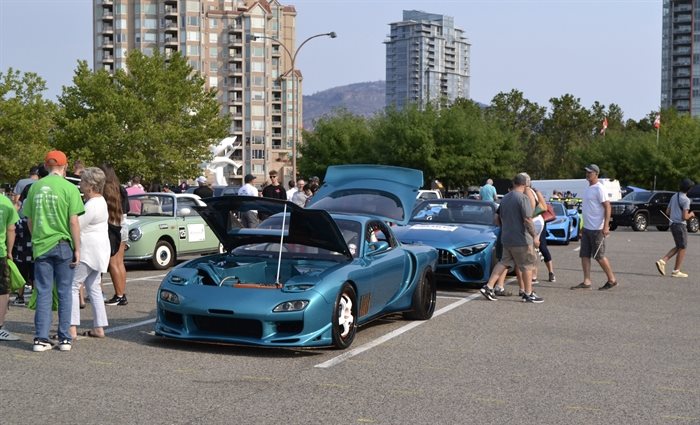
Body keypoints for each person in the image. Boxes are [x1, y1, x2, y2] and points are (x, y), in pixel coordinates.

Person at [23, 150, 85, 352]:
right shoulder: (69, 188)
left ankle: (40, 338)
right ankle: (65, 338)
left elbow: (29, 220)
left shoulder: (35, 188)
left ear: (46, 166)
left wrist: (37, 238)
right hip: (64, 243)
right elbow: (74, 221)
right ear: (65, 166)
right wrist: (78, 248)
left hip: (42, 244)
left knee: (43, 291)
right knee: (65, 292)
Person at [479, 173, 543, 303]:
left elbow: (497, 219)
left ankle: (489, 286)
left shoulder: (505, 198)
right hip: (521, 239)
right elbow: (527, 219)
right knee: (527, 265)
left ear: (514, 183)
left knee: (503, 262)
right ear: (525, 184)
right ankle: (528, 293)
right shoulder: (523, 198)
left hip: (506, 237)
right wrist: (535, 236)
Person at [70, 167, 110, 339]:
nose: (81, 184)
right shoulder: (100, 201)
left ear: (90, 185)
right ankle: (99, 326)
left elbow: (77, 225)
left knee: (73, 285)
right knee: (93, 287)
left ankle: (71, 327)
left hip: (88, 250)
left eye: (83, 181)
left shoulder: (92, 204)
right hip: (100, 249)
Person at [571, 164, 617, 290]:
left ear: (596, 174)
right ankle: (586, 281)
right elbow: (587, 209)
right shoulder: (588, 188)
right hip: (587, 228)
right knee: (584, 255)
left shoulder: (599, 188)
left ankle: (612, 279)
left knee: (599, 256)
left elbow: (607, 206)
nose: (587, 174)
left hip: (597, 228)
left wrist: (606, 226)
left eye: (590, 172)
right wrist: (582, 227)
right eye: (586, 172)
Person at [101, 164, 129, 306]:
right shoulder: (121, 189)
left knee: (113, 263)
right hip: (123, 224)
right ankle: (121, 293)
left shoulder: (104, 191)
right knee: (119, 263)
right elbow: (127, 209)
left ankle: (119, 295)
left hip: (111, 227)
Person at [656, 178, 695, 278]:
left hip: (672, 224)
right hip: (680, 225)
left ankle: (663, 261)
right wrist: (691, 214)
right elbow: (684, 217)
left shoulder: (675, 196)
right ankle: (676, 270)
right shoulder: (686, 200)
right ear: (689, 189)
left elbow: (667, 211)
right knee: (683, 247)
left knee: (679, 246)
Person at [0, 191, 21, 341]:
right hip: (0, 251)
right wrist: (10, 250)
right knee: (2, 290)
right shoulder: (5, 202)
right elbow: (11, 229)